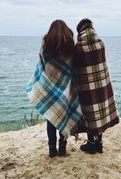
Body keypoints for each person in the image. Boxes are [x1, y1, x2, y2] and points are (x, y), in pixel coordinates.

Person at [26, 20, 82, 158]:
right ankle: (62, 149)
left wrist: (39, 82)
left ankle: (52, 150)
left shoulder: (46, 46)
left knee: (51, 119)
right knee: (65, 117)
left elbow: (41, 66)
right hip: (65, 89)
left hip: (49, 89)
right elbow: (73, 67)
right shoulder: (70, 47)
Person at [73, 18, 119, 154]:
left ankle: (91, 144)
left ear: (80, 31)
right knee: (100, 114)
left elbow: (76, 68)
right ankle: (99, 143)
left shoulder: (79, 48)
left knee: (89, 115)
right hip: (102, 85)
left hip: (86, 88)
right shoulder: (101, 44)